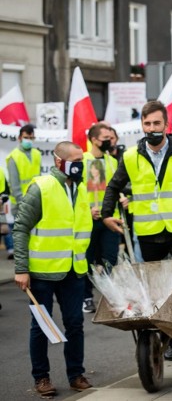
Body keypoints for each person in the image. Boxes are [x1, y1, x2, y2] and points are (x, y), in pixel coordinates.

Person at [102, 100, 172, 361]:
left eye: (157, 123)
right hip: (149, 231)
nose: (152, 128)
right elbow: (113, 187)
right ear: (142, 125)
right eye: (147, 124)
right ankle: (168, 339)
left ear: (166, 125)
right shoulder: (130, 156)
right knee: (155, 290)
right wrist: (107, 215)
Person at [13, 141, 94, 397]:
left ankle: (76, 374)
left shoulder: (80, 190)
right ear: (59, 162)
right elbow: (21, 228)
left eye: (82, 160)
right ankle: (42, 378)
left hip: (72, 270)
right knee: (41, 327)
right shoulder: (42, 187)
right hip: (41, 273)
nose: (80, 165)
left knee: (75, 324)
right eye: (75, 161)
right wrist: (21, 269)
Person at [81, 123, 122, 314]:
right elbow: (76, 193)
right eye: (105, 138)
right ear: (94, 140)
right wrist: (87, 209)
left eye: (110, 137)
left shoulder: (112, 162)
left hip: (109, 218)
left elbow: (118, 188)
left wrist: (124, 198)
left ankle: (106, 293)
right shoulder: (82, 161)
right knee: (88, 259)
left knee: (110, 258)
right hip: (88, 220)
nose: (109, 141)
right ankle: (86, 296)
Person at [6, 124, 41, 214]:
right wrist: (23, 204)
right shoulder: (13, 157)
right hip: (20, 205)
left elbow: (39, 178)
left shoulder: (37, 154)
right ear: (19, 138)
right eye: (26, 137)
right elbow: (15, 185)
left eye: (31, 138)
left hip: (35, 201)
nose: (28, 140)